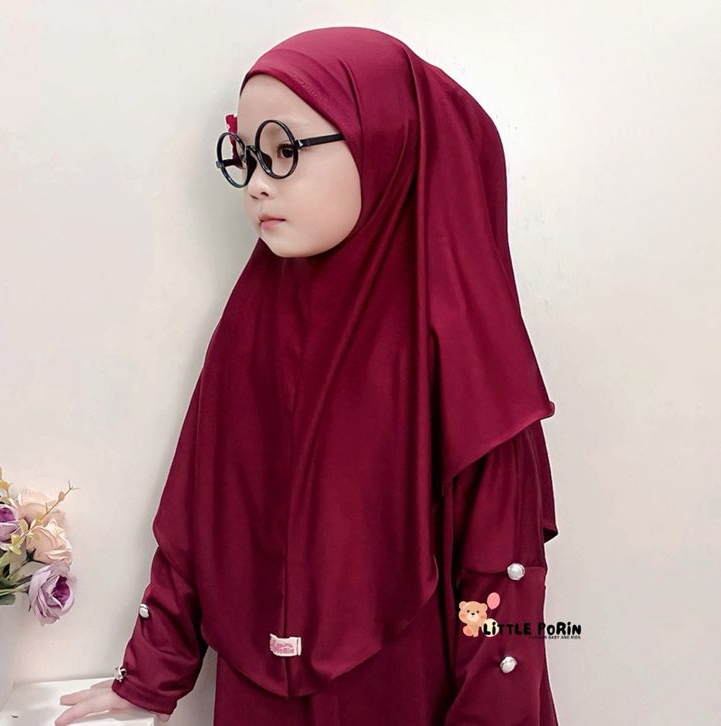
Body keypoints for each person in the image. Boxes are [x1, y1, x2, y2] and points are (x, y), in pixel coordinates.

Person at [56, 26, 560, 726]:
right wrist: (148, 676)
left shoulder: (459, 343)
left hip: (408, 697)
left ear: (383, 142)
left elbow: (500, 573)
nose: (257, 184)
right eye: (246, 156)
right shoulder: (252, 322)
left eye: (284, 151)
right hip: (257, 698)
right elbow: (204, 513)